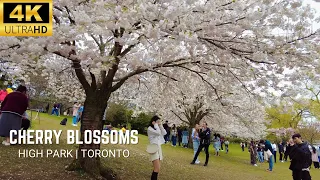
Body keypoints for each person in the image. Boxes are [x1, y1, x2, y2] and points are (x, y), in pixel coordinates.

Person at [147, 115, 167, 180]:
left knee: (157, 169)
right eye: (157, 121)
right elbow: (158, 133)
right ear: (153, 122)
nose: (158, 123)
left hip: (158, 148)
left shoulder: (157, 128)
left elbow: (164, 132)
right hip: (153, 147)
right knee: (157, 168)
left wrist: (160, 125)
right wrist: (156, 125)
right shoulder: (150, 129)